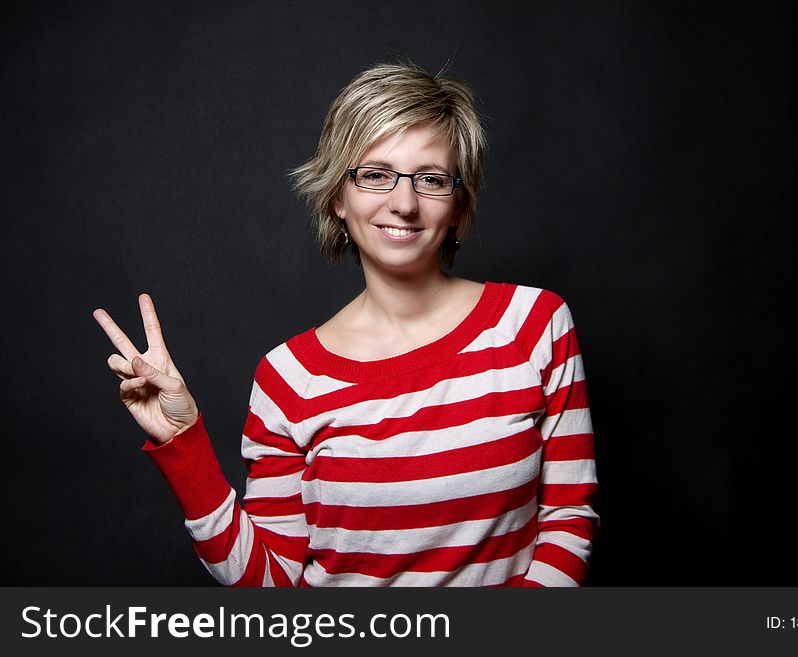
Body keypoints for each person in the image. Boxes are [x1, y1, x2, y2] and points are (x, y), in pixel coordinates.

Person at [93, 62, 599, 586]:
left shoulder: (535, 326)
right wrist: (186, 446)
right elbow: (270, 584)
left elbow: (567, 520)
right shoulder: (288, 378)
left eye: (430, 179)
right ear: (337, 196)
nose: (403, 204)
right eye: (375, 175)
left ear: (459, 206)